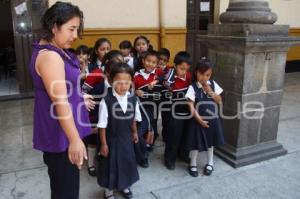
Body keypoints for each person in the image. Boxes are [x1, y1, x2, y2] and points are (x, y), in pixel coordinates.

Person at [28, 2, 95, 198]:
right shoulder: (50, 57)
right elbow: (60, 102)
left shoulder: (54, 50)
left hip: (65, 130)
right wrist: (74, 140)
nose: (75, 35)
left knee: (65, 187)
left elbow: (60, 90)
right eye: (71, 29)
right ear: (54, 27)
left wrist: (79, 96)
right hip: (62, 136)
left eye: (77, 29)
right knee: (66, 192)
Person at [97, 62, 140, 199]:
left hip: (126, 139)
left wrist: (134, 132)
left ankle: (125, 185)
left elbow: (133, 118)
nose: (123, 86)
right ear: (111, 81)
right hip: (111, 140)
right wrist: (104, 144)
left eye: (126, 83)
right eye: (119, 82)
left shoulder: (133, 99)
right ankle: (108, 190)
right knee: (111, 165)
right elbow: (102, 125)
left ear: (131, 82)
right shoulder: (106, 101)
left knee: (126, 162)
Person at [82, 50, 124, 176]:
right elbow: (82, 91)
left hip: (111, 114)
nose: (121, 65)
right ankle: (91, 164)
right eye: (118, 62)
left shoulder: (121, 76)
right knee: (93, 139)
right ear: (107, 64)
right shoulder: (96, 75)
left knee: (106, 138)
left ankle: (103, 158)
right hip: (94, 112)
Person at [185, 57, 225, 177]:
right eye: (201, 74)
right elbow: (190, 106)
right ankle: (193, 163)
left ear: (210, 74)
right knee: (195, 143)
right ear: (196, 72)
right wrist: (199, 119)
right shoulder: (193, 87)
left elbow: (219, 101)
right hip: (197, 120)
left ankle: (210, 162)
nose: (204, 77)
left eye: (207, 75)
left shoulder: (212, 84)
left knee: (210, 142)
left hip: (212, 120)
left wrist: (211, 92)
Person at [134, 50, 164, 166]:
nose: (150, 64)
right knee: (142, 130)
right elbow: (130, 89)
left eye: (153, 62)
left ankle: (146, 149)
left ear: (157, 64)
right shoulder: (136, 75)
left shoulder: (158, 73)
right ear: (143, 61)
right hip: (141, 107)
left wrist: (156, 80)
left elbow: (168, 75)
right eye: (148, 61)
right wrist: (137, 91)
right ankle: (142, 156)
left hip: (154, 107)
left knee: (152, 129)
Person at [163, 51, 192, 170]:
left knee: (186, 134)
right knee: (174, 136)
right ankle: (170, 159)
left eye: (186, 69)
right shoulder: (170, 77)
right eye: (181, 69)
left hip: (187, 109)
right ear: (175, 66)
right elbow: (166, 85)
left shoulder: (189, 76)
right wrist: (169, 83)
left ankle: (183, 154)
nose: (184, 72)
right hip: (174, 110)